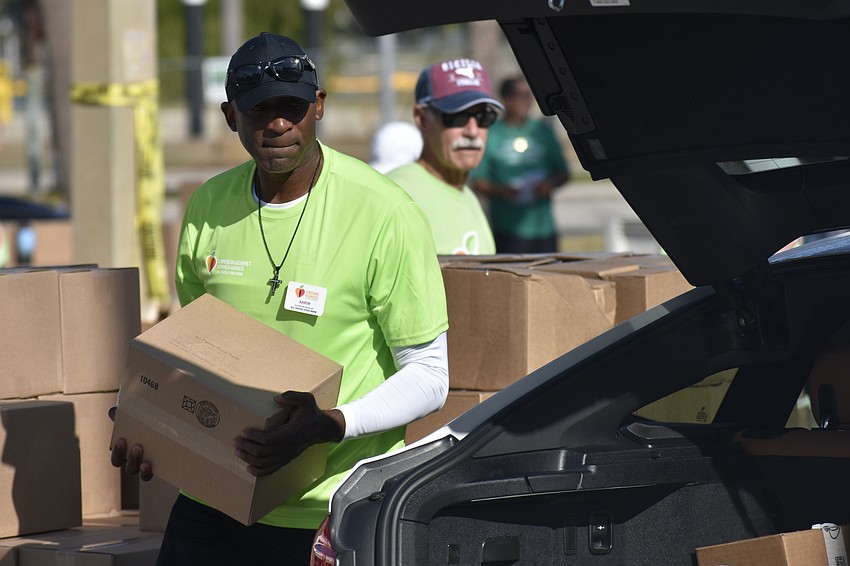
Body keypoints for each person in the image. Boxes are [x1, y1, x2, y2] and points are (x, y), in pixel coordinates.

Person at [110, 32, 450, 566]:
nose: (276, 124)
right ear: (229, 116)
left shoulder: (384, 213)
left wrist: (331, 424)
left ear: (318, 107)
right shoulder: (208, 206)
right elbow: (193, 354)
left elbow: (430, 375)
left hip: (334, 511)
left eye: (291, 107)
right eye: (257, 110)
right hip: (214, 501)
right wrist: (150, 424)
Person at [387, 58, 502, 255]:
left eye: (484, 117)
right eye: (457, 116)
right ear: (422, 119)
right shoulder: (394, 196)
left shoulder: (468, 197)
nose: (473, 131)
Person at [469, 76, 570, 254]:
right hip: (507, 230)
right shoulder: (492, 134)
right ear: (506, 100)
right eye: (520, 95)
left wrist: (549, 185)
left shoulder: (541, 130)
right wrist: (503, 191)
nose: (527, 101)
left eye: (528, 96)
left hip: (543, 230)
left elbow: (563, 173)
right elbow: (478, 181)